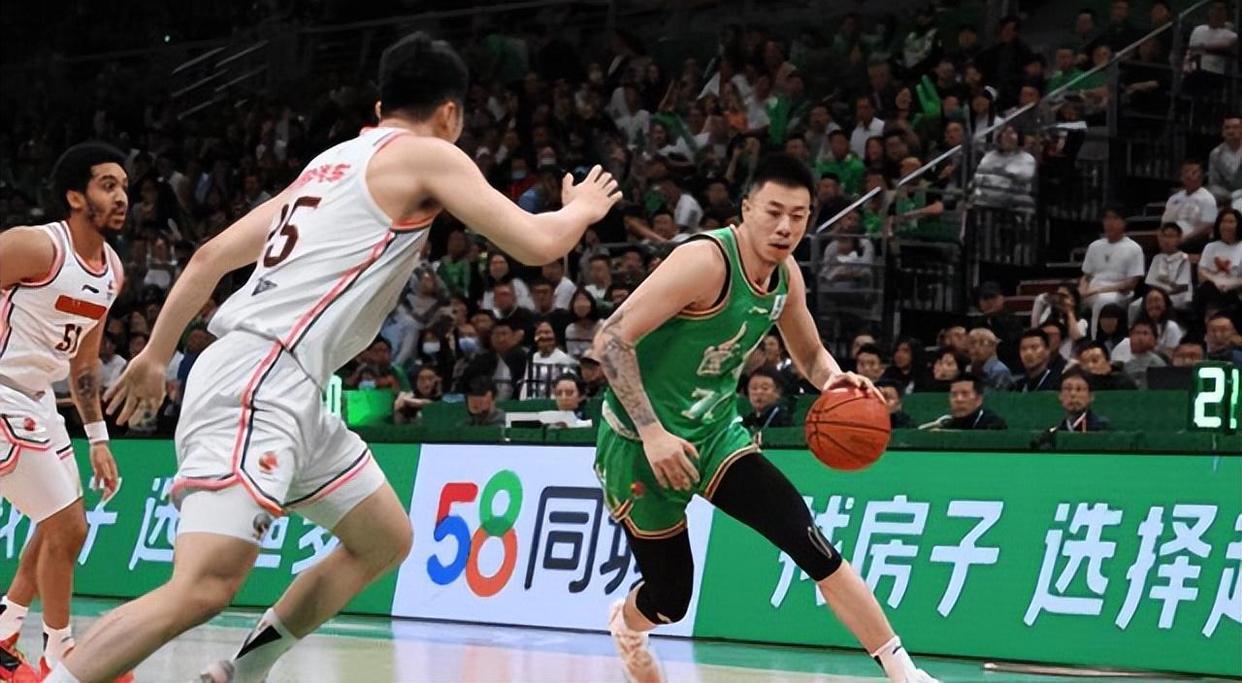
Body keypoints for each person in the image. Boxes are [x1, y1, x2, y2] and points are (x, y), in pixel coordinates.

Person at [61, 33, 621, 683]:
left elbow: (211, 255)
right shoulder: (428, 154)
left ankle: (242, 672)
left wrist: (158, 355)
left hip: (281, 380)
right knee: (202, 588)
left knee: (384, 537)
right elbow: (536, 243)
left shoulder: (329, 165)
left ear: (381, 106)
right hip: (262, 376)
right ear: (450, 113)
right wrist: (582, 209)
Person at [590, 154, 937, 683]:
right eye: (774, 212)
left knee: (808, 541)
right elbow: (611, 339)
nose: (785, 227)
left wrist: (836, 380)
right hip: (640, 446)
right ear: (746, 209)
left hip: (714, 436)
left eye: (798, 216)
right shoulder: (704, 262)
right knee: (670, 599)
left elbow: (811, 355)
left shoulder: (786, 276)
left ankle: (904, 672)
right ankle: (626, 624)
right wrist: (653, 433)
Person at [0, 142, 130, 681]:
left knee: (57, 526)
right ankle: (61, 657)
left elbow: (84, 361)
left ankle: (5, 628)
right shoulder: (36, 246)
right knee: (67, 527)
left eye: (124, 187)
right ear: (75, 197)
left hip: (38, 399)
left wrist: (97, 436)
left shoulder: (112, 270)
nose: (121, 197)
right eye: (107, 185)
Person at [1080, 206, 1145, 335]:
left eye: (1115, 218)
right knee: (1045, 299)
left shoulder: (1134, 248)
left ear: (1124, 222)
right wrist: (1082, 289)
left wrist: (1099, 289)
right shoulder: (1094, 246)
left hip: (1119, 292)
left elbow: (1131, 283)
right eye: (1107, 218)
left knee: (1103, 300)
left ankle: (1096, 339)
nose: (1110, 222)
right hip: (1092, 290)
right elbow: (1086, 275)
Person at [1162, 160, 1219, 247]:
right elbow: (1165, 221)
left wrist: (1184, 238)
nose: (1189, 175)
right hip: (1171, 237)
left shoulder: (1208, 198)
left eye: (1193, 172)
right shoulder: (1174, 198)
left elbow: (1207, 225)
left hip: (1194, 240)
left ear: (1202, 176)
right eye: (1186, 172)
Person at [1196, 210, 1242, 317]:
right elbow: (1201, 273)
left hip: (1236, 291)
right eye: (1223, 222)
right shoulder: (1210, 247)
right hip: (1213, 288)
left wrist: (1231, 283)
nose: (1226, 225)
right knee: (1207, 289)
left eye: (1231, 222)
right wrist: (1216, 280)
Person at [1142, 223, 1193, 312]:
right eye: (1164, 236)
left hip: (1178, 296)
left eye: (1171, 236)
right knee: (1135, 305)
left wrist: (1163, 295)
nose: (1166, 240)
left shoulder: (1185, 258)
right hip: (1157, 295)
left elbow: (1182, 286)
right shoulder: (1157, 258)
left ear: (1179, 238)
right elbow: (1151, 283)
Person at [741, 367, 794, 437]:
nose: (759, 392)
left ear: (778, 392)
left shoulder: (784, 419)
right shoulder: (747, 421)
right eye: (754, 388)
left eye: (765, 388)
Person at [942, 375, 1008, 430]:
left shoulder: (993, 424)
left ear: (979, 399)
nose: (959, 399)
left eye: (965, 394)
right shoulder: (945, 423)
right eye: (954, 395)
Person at [1118, 319, 1168, 389]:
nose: (1140, 337)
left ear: (1154, 339)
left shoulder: (1158, 362)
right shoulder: (1119, 360)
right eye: (1137, 333)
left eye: (1145, 333)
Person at [1207, 115, 1242, 204]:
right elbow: (1214, 183)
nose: (1230, 131)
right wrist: (1229, 196)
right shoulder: (1216, 154)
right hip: (1226, 197)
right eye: (1227, 128)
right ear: (1222, 132)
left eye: (1235, 127)